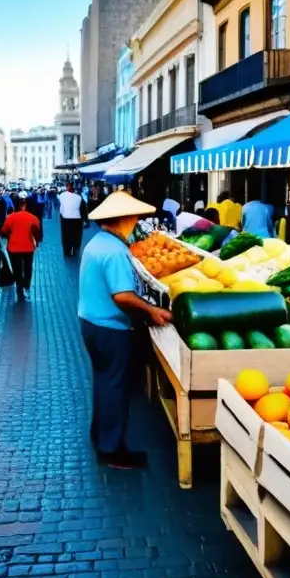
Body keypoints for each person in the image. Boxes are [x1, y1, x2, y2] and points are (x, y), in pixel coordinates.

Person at [79, 192, 173, 469]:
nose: (136, 221)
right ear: (122, 219)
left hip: (91, 323)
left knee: (105, 382)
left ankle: (100, 437)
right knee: (115, 387)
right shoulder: (115, 251)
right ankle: (112, 449)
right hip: (110, 328)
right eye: (133, 217)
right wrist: (151, 310)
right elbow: (122, 296)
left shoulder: (98, 242)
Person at [0, 195, 43, 301]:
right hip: (28, 247)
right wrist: (36, 242)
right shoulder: (33, 218)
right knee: (28, 268)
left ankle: (19, 285)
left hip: (13, 248)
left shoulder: (10, 217)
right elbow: (37, 234)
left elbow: (3, 231)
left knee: (16, 268)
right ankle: (26, 286)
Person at [58, 182, 87, 257]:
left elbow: (61, 205)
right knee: (76, 236)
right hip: (76, 220)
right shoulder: (79, 197)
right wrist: (85, 220)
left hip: (65, 219)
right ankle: (74, 250)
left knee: (66, 236)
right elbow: (83, 209)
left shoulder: (62, 195)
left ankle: (66, 251)